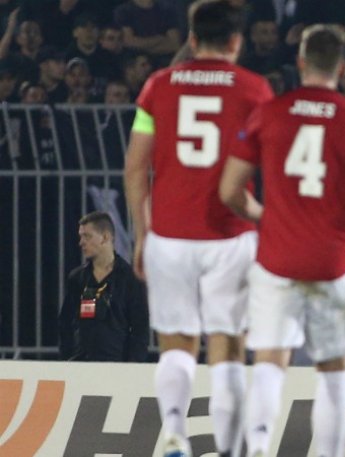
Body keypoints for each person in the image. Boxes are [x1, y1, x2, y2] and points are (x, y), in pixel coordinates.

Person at [218, 24, 345, 457]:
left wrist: (267, 216)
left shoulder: (269, 112)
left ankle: (258, 449)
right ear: (342, 67)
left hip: (278, 257)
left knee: (270, 363)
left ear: (299, 62)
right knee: (333, 371)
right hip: (333, 259)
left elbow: (230, 191)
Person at [123, 1, 274, 456]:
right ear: (236, 41)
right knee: (228, 346)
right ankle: (228, 448)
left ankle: (174, 430)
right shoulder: (254, 90)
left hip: (170, 236)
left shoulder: (157, 86)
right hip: (230, 234)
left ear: (191, 39)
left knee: (177, 345)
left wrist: (142, 234)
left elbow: (135, 168)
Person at [58, 211, 149, 362]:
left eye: (87, 236)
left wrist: (131, 367)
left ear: (105, 237)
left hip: (116, 366)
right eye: (81, 237)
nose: (81, 242)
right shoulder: (77, 278)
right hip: (80, 365)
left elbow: (140, 329)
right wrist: (67, 360)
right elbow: (65, 324)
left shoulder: (130, 278)